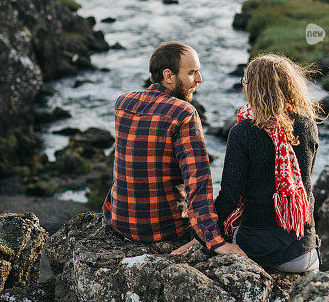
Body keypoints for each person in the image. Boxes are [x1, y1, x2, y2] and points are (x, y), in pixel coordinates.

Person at [102, 41, 245, 257]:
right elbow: (198, 180)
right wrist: (214, 241)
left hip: (120, 221)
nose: (199, 79)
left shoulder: (123, 103)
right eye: (192, 73)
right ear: (168, 76)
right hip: (165, 230)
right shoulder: (184, 113)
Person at [214, 53, 322, 272]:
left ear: (252, 88)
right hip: (303, 253)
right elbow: (305, 182)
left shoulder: (242, 132)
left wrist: (202, 233)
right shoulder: (308, 126)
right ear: (291, 86)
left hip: (256, 251)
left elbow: (229, 197)